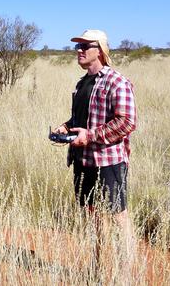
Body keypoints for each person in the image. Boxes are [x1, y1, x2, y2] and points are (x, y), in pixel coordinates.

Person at [53, 29, 137, 271]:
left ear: (99, 50)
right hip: (83, 160)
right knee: (92, 216)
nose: (79, 51)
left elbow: (127, 122)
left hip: (109, 161)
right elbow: (81, 117)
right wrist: (66, 127)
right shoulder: (82, 84)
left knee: (118, 216)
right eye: (77, 47)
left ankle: (126, 272)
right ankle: (97, 268)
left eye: (84, 46)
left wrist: (89, 136)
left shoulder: (116, 82)